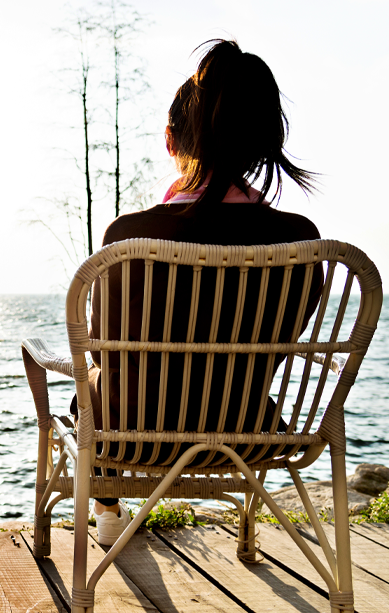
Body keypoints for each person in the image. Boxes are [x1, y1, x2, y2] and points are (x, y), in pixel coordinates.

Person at [82, 39, 324, 545]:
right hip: (245, 432)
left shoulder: (130, 237)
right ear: (260, 139)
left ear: (171, 140)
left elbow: (105, 347)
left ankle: (108, 512)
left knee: (92, 380)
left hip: (132, 434)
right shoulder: (300, 239)